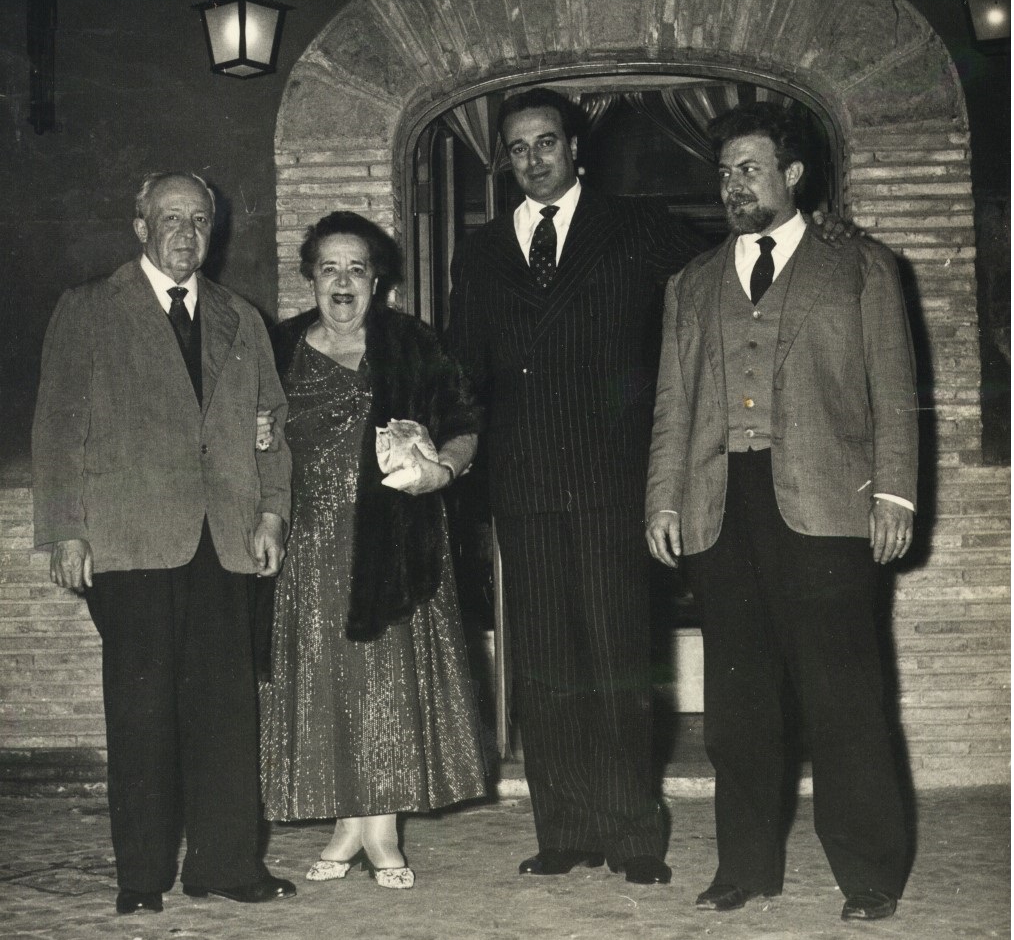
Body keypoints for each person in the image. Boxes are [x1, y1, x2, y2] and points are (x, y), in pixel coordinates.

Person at [645, 101, 916, 924]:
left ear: (793, 175)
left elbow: (895, 392)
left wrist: (896, 492)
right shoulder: (690, 284)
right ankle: (747, 865)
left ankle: (869, 873)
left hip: (830, 507)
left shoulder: (861, 267)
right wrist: (663, 495)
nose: (732, 185)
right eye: (724, 172)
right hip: (723, 506)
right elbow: (671, 403)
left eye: (749, 169)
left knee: (844, 698)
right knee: (739, 705)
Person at [445, 87, 702, 886]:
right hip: (521, 489)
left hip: (611, 482)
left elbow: (727, 268)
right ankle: (564, 826)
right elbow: (464, 374)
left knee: (619, 660)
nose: (532, 160)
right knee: (547, 667)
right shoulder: (482, 252)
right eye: (517, 149)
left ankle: (633, 835)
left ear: (574, 147)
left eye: (545, 143)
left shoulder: (638, 227)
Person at [32, 172, 296, 916]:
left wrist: (272, 514)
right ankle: (141, 875)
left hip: (226, 541)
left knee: (225, 711)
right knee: (142, 712)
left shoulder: (239, 316)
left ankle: (226, 863)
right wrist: (65, 530)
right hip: (132, 541)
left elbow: (273, 427)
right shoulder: (89, 309)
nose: (186, 232)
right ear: (140, 225)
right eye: (171, 217)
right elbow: (56, 429)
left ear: (212, 232)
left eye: (199, 220)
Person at [259, 211, 487, 889]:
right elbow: (249, 438)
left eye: (357, 267)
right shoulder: (278, 347)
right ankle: (349, 824)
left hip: (395, 542)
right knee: (329, 679)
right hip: (309, 546)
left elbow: (465, 422)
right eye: (329, 267)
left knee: (386, 682)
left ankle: (379, 830)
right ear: (309, 277)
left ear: (378, 278)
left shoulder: (412, 343)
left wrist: (440, 469)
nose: (343, 280)